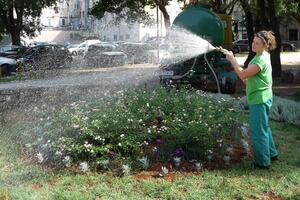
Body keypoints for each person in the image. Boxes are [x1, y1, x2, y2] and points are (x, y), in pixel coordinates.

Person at [221, 30, 279, 169]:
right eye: (253, 42)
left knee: (258, 131)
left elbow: (242, 75)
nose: (253, 45)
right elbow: (249, 79)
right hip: (263, 96)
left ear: (265, 45)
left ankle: (263, 163)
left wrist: (232, 60)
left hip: (259, 99)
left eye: (257, 43)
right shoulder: (263, 55)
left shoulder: (260, 60)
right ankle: (272, 153)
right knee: (264, 127)